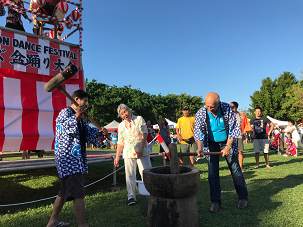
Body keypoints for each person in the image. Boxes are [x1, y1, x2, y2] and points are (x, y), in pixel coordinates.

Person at [47, 90, 108, 227]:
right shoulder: (65, 113)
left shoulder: (81, 118)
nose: (87, 104)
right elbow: (62, 129)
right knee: (78, 193)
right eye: (85, 101)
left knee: (64, 192)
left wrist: (99, 132)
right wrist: (76, 116)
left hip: (75, 159)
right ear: (76, 99)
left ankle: (53, 222)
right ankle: (82, 224)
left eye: (87, 101)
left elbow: (88, 134)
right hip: (68, 159)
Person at [194, 93, 248, 213]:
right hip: (210, 143)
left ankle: (243, 198)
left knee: (235, 169)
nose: (209, 109)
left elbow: (233, 128)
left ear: (219, 103)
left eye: (212, 107)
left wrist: (228, 147)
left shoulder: (227, 108)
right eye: (207, 106)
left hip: (227, 142)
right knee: (213, 173)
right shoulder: (201, 112)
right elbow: (199, 131)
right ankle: (215, 201)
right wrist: (199, 148)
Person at [114, 104, 152, 206]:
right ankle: (131, 197)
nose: (125, 114)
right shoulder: (121, 125)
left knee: (145, 172)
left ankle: (149, 193)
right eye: (122, 114)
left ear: (129, 110)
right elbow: (120, 142)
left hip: (142, 150)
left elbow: (144, 133)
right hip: (128, 152)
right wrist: (117, 156)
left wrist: (140, 148)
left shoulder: (139, 119)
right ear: (120, 116)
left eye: (125, 111)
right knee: (130, 175)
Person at [229, 102, 252, 172]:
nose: (231, 108)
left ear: (236, 107)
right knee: (231, 152)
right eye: (229, 107)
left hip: (239, 136)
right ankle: (232, 168)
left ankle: (240, 167)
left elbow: (247, 125)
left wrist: (244, 132)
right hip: (231, 136)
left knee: (240, 152)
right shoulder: (228, 115)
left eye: (232, 107)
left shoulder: (242, 115)